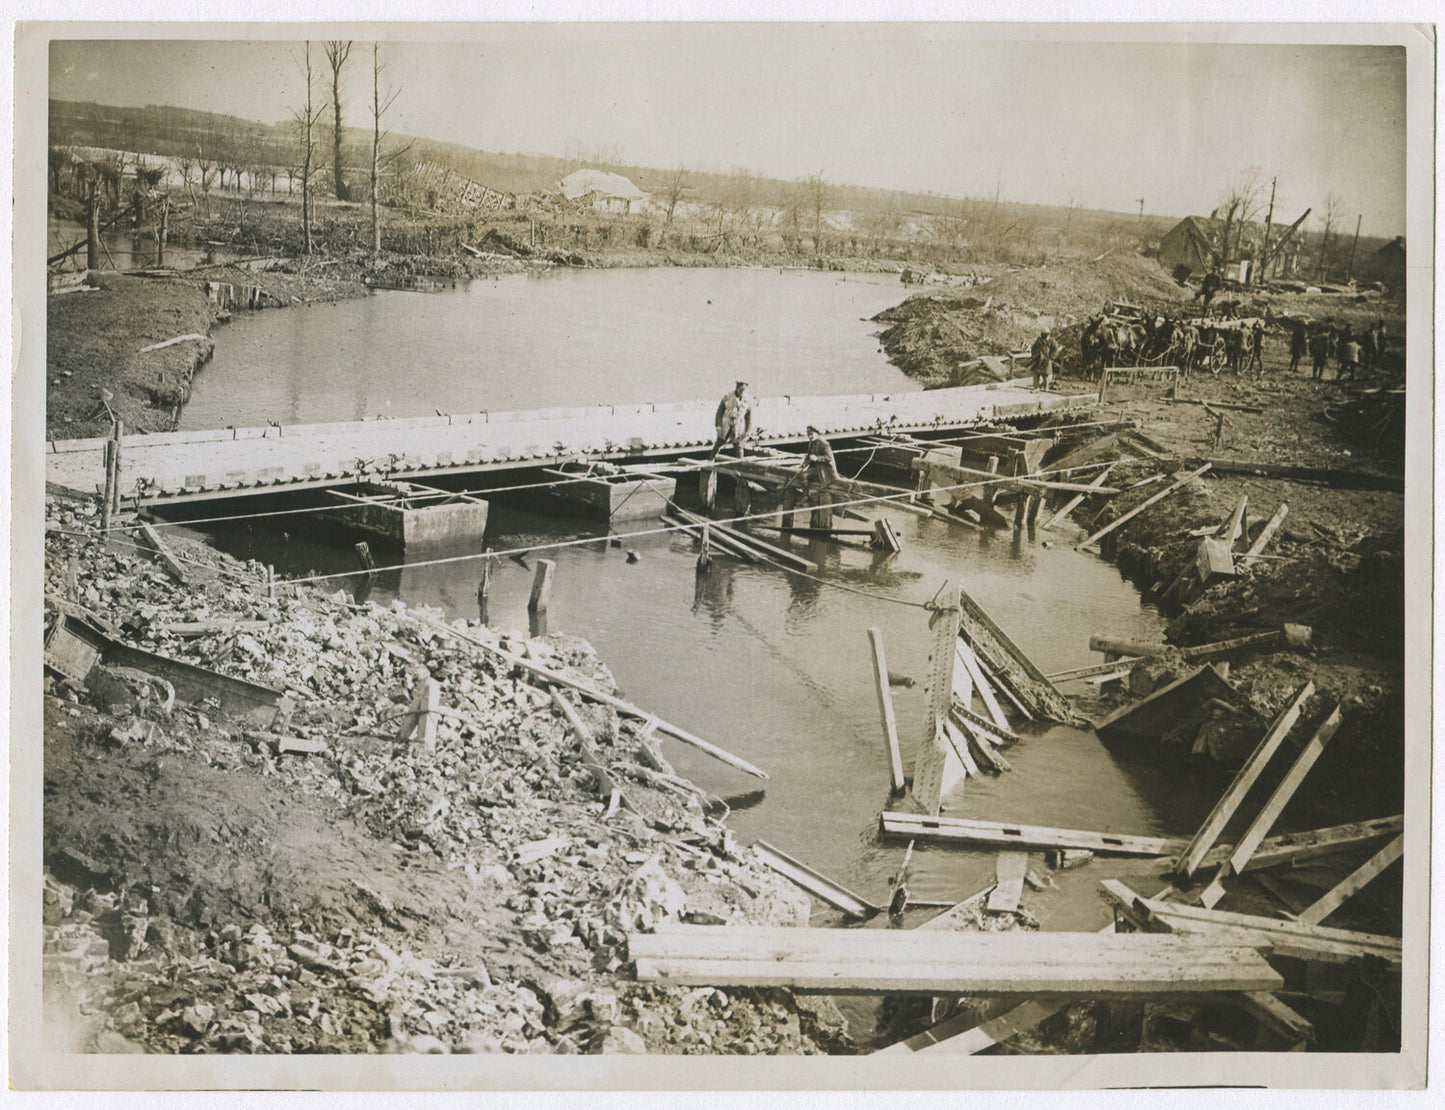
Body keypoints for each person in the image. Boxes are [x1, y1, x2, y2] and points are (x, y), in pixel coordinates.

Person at [709, 380, 755, 460]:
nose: (742, 392)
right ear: (737, 388)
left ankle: (740, 465)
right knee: (719, 443)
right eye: (741, 389)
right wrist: (718, 425)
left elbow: (749, 417)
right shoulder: (727, 397)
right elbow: (719, 413)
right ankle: (711, 460)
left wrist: (748, 430)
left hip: (738, 426)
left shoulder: (747, 400)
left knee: (739, 446)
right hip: (726, 425)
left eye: (744, 390)